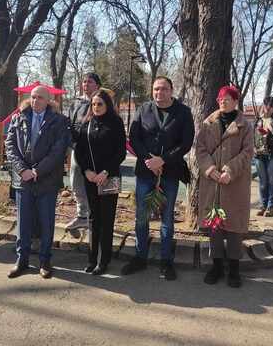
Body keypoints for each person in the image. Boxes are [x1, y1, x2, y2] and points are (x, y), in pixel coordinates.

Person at [122, 76, 195, 280]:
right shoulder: (143, 109)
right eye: (155, 89)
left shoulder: (183, 112)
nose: (159, 92)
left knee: (167, 218)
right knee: (142, 216)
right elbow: (134, 137)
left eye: (163, 89)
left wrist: (162, 160)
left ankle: (166, 261)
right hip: (145, 172)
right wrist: (149, 160)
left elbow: (186, 143)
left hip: (170, 173)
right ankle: (140, 257)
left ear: (171, 90)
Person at [5, 85, 71, 279]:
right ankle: (22, 260)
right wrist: (23, 170)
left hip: (47, 180)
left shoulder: (59, 121)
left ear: (49, 100)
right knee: (23, 222)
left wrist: (37, 171)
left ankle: (45, 260)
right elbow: (10, 146)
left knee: (46, 222)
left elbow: (58, 150)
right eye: (33, 97)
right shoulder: (19, 117)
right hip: (23, 179)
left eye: (40, 97)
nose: (35, 101)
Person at [196, 86, 254, 287]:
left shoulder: (245, 125)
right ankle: (217, 266)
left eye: (228, 98)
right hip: (212, 182)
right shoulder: (208, 123)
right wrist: (209, 169)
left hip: (234, 183)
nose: (223, 101)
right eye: (221, 98)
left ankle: (234, 269)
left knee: (235, 227)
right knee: (215, 225)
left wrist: (230, 170)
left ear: (236, 102)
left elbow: (248, 152)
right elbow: (200, 149)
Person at [74, 89, 126, 275]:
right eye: (93, 104)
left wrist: (105, 172)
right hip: (90, 178)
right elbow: (79, 152)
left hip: (109, 178)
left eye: (100, 104)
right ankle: (92, 258)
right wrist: (86, 171)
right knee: (93, 218)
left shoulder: (116, 123)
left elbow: (120, 152)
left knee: (107, 219)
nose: (96, 107)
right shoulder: (86, 124)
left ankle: (104, 260)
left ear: (107, 105)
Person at [66, 72, 102, 231]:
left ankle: (95, 217)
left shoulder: (102, 102)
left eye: (90, 82)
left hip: (95, 150)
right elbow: (70, 123)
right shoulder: (76, 103)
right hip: (77, 148)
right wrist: (71, 143)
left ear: (97, 85)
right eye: (84, 82)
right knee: (76, 181)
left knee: (94, 183)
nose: (86, 84)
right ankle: (82, 216)